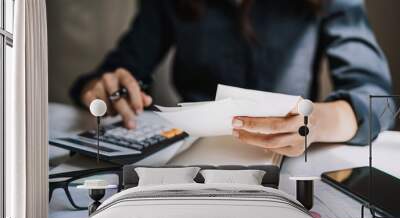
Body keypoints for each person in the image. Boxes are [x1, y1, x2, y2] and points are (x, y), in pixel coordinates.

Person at [71, 0, 395, 157]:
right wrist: (101, 89)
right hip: (191, 162)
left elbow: (376, 98)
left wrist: (323, 120)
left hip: (292, 159)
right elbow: (113, 74)